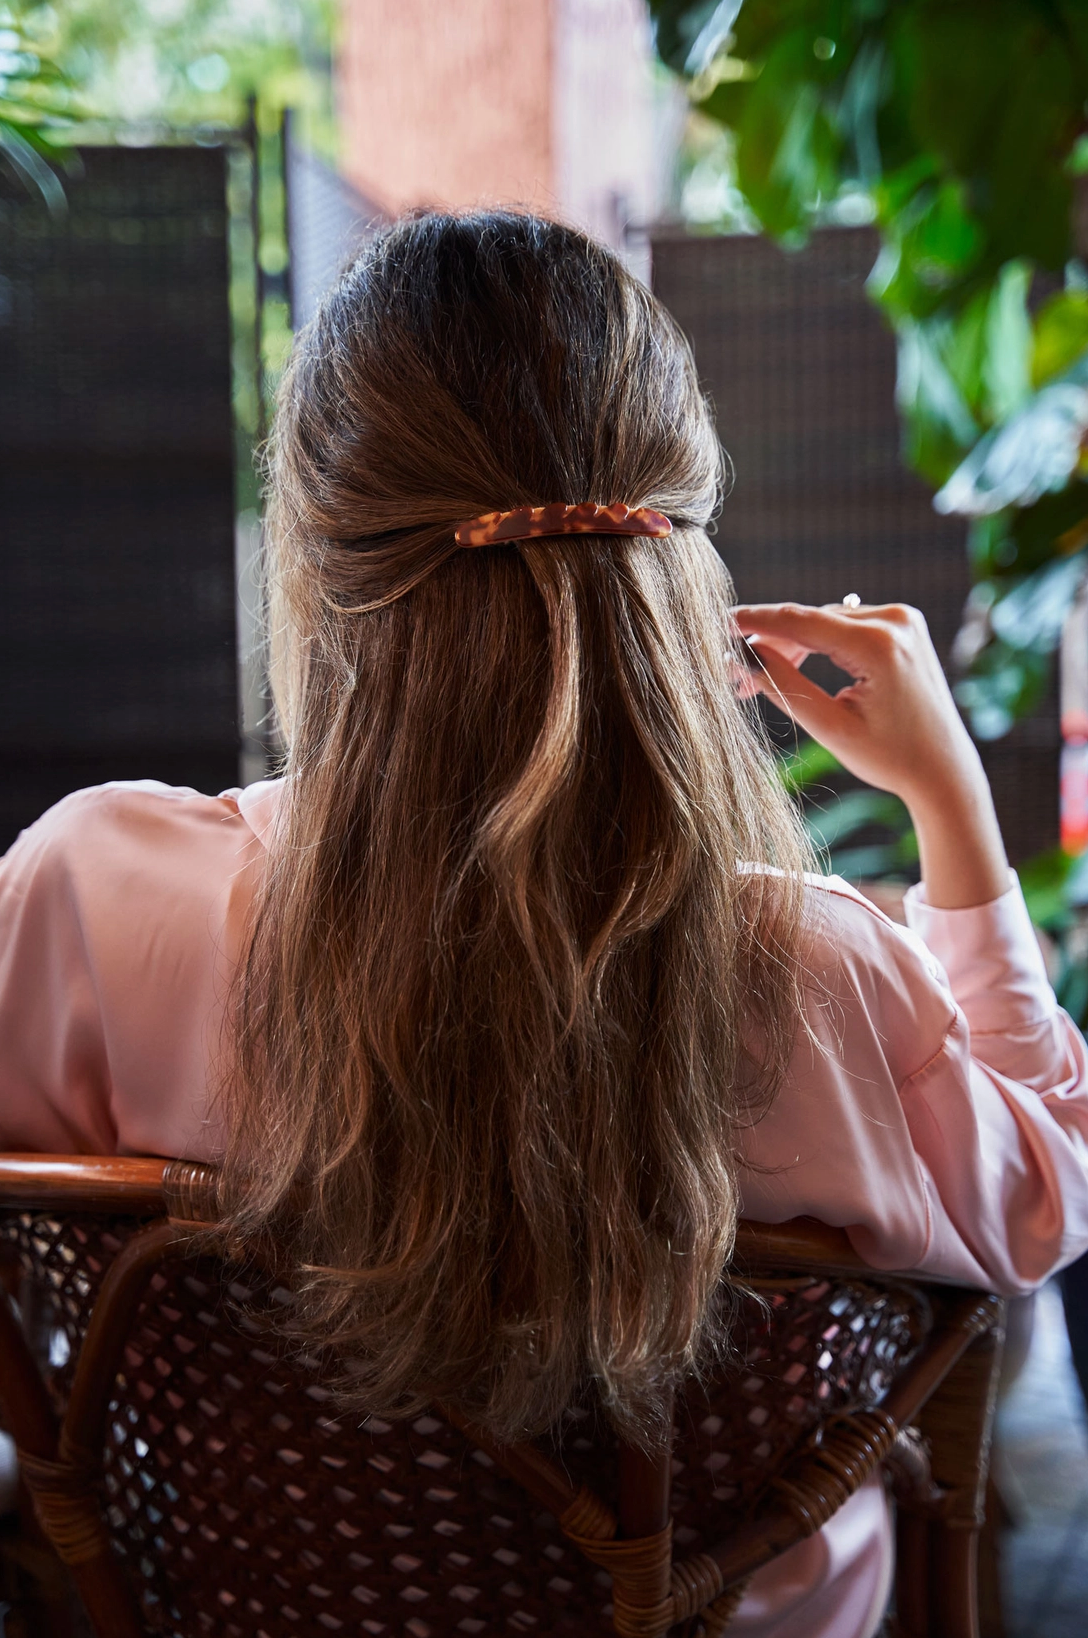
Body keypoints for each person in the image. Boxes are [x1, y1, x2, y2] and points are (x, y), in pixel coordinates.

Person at [2, 211, 1087, 1638]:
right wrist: (955, 814)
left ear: (321, 556)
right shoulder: (822, 978)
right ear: (673, 552)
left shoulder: (86, 891)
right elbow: (1043, 1197)